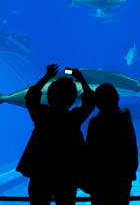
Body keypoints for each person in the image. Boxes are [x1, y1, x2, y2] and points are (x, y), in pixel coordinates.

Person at [17, 64, 95, 205]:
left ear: (49, 97)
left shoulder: (41, 116)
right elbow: (90, 102)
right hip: (67, 175)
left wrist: (47, 76)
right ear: (72, 99)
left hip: (40, 173)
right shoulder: (73, 119)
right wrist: (81, 78)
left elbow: (31, 96)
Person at [86, 83, 138, 205]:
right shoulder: (125, 115)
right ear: (117, 98)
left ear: (97, 103)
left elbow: (89, 152)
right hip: (124, 176)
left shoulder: (95, 123)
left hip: (101, 179)